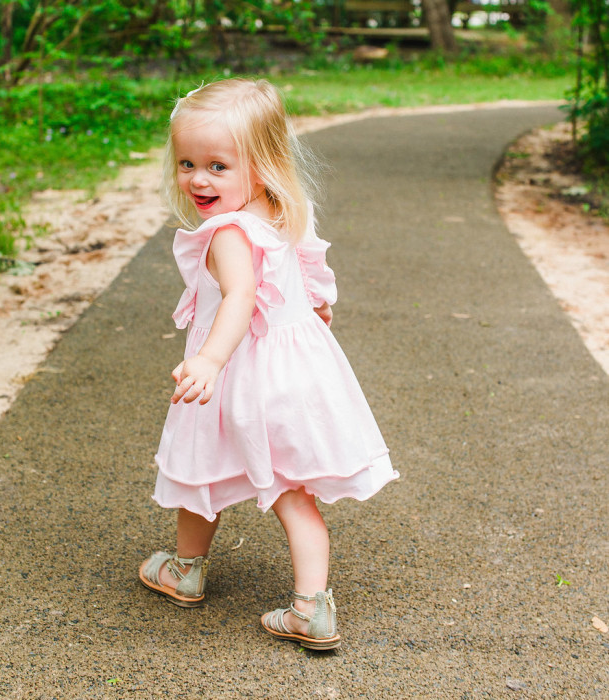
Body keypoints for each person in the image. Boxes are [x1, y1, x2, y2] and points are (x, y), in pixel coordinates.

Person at [139, 78, 398, 651]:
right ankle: (312, 607)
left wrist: (208, 358)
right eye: (187, 162)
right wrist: (317, 306)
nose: (198, 179)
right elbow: (306, 275)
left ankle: (186, 569)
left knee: (199, 468)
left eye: (217, 166)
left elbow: (238, 297)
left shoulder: (226, 233)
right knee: (292, 491)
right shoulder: (279, 208)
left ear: (260, 165)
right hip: (291, 372)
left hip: (238, 372)